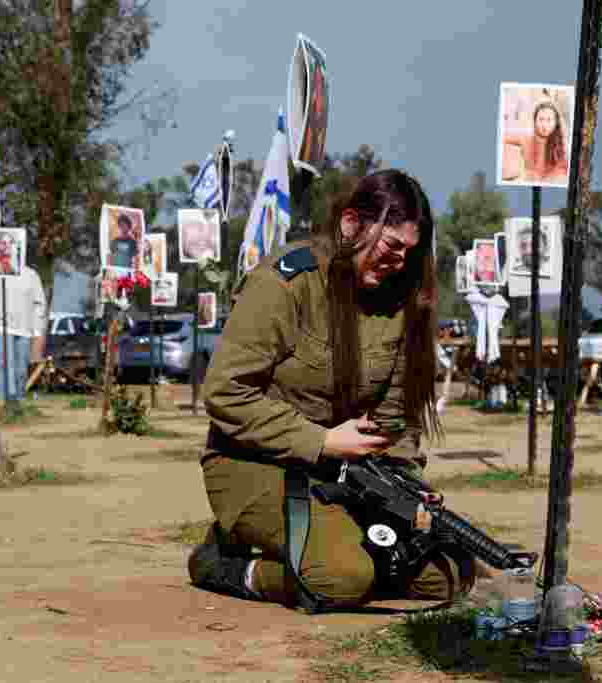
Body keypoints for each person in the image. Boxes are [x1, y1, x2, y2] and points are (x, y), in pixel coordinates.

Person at [188, 170, 477, 610]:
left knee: (444, 578)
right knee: (341, 578)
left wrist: (406, 486)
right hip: (253, 464)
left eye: (409, 253)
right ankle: (227, 565)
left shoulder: (398, 301)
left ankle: (318, 542)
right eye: (391, 247)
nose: (399, 263)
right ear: (350, 224)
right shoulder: (286, 283)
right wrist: (320, 440)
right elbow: (226, 394)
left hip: (349, 476)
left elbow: (393, 418)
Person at [0, 263, 47, 414]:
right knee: (4, 364)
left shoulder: (31, 275)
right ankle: (3, 401)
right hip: (1, 326)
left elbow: (39, 303)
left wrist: (37, 328)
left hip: (24, 327)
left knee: (21, 368)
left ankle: (19, 400)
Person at [501, 99, 569, 184]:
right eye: (541, 119)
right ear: (535, 120)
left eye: (549, 120)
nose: (544, 125)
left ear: (556, 122)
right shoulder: (525, 139)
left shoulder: (562, 146)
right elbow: (502, 137)